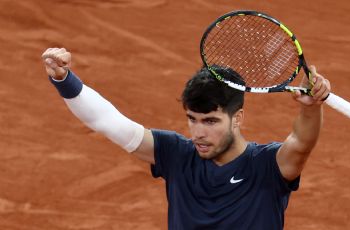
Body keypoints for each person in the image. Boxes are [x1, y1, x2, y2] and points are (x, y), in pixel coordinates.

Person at [42, 47, 331, 230]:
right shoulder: (176, 154)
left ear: (238, 119)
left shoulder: (268, 167)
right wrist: (64, 79)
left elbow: (301, 143)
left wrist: (311, 108)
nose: (198, 132)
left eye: (211, 121)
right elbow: (108, 123)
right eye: (192, 119)